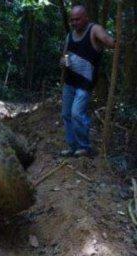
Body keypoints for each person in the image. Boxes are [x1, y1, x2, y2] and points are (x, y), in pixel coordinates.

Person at [60, 5, 115, 157]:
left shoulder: (94, 29)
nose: (74, 23)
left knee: (77, 113)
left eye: (77, 19)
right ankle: (73, 147)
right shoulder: (70, 36)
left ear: (86, 18)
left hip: (85, 84)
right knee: (66, 114)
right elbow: (65, 55)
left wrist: (115, 41)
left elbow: (109, 41)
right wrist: (64, 61)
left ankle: (84, 147)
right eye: (72, 20)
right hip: (70, 81)